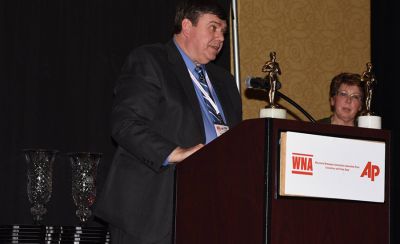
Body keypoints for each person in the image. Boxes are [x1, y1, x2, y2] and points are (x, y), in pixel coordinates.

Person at [94, 1, 242, 244]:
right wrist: (175, 153)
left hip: (209, 210)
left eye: (224, 31)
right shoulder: (151, 61)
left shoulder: (225, 81)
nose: (220, 38)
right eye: (213, 28)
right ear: (187, 26)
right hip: (150, 210)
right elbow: (125, 123)